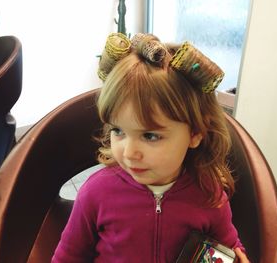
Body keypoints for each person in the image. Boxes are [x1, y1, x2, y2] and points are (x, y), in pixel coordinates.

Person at [52, 33, 249, 263]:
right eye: (118, 131)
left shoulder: (209, 195)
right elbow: (67, 257)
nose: (128, 153)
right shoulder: (95, 194)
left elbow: (229, 246)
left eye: (150, 135)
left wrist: (238, 256)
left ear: (195, 133)